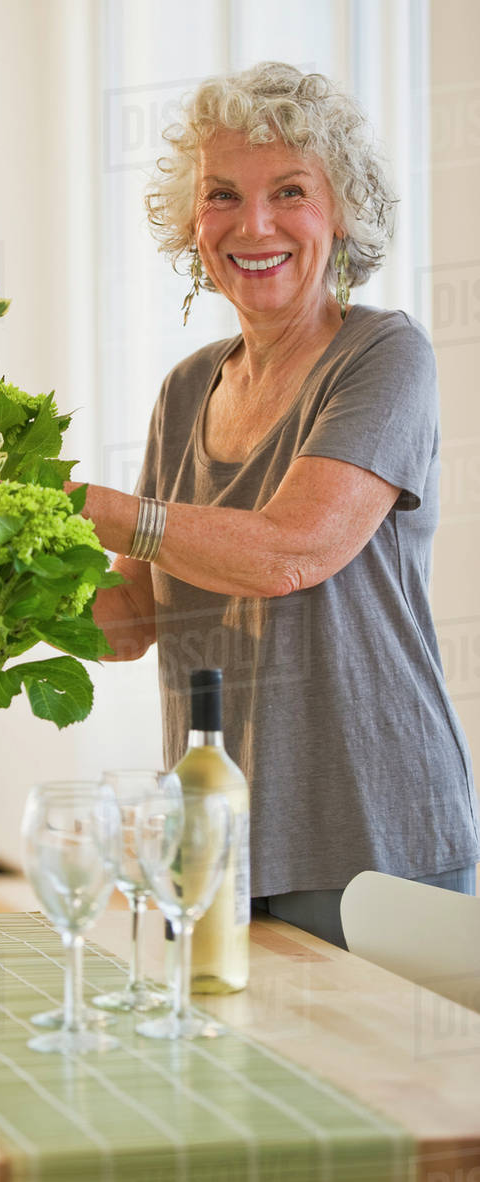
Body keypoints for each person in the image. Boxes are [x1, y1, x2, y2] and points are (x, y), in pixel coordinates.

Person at [71, 61, 479, 949]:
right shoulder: (185, 389)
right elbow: (128, 621)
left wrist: (86, 508)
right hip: (212, 838)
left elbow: (289, 551)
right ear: (193, 222)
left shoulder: (384, 356)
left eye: (288, 191)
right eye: (223, 195)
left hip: (374, 837)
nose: (252, 225)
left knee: (370, 1092)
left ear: (340, 212)